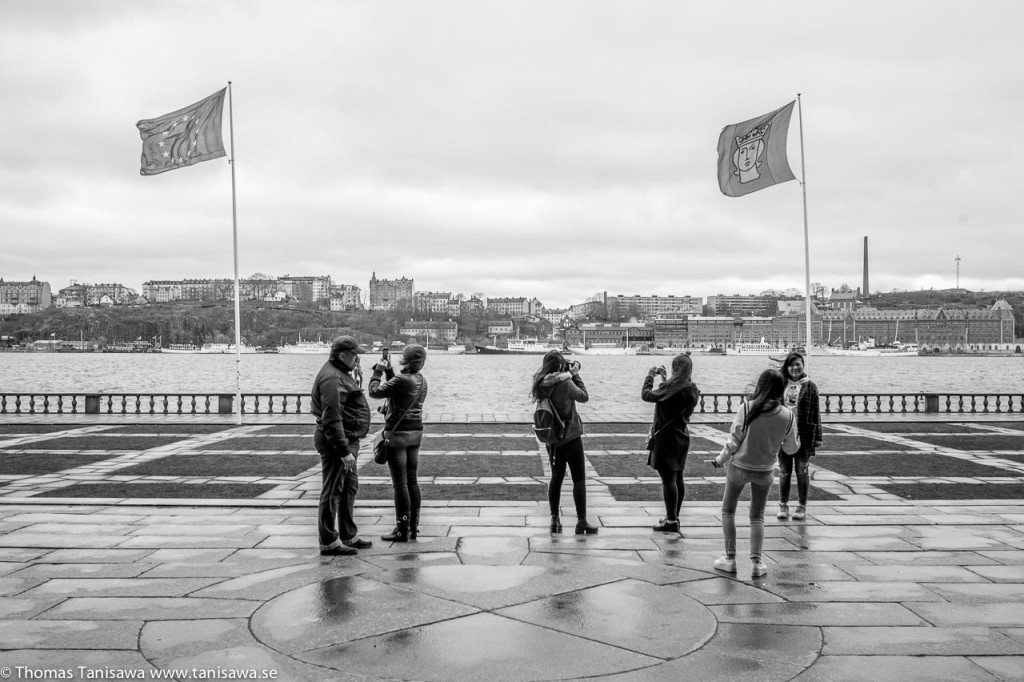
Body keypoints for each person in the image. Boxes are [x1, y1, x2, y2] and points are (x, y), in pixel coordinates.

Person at [711, 369, 799, 578]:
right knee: (757, 517)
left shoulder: (747, 408)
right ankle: (757, 563)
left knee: (728, 511)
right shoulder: (787, 415)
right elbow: (791, 449)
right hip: (765, 471)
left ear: (760, 385)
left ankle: (730, 559)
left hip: (739, 467)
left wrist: (720, 460)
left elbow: (733, 441)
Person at [311, 336, 372, 555]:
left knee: (349, 487)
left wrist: (356, 379)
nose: (357, 360)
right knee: (333, 490)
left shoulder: (340, 374)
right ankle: (328, 540)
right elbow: (332, 418)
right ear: (342, 355)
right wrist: (344, 451)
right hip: (337, 442)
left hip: (347, 439)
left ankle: (348, 534)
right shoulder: (332, 379)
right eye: (355, 355)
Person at [531, 349, 598, 535]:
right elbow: (584, 396)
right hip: (571, 435)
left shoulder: (540, 383)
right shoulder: (566, 382)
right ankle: (582, 520)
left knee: (556, 478)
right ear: (561, 366)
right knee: (578, 478)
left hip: (552, 437)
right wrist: (575, 375)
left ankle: (554, 519)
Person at [368, 344, 428, 543]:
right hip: (415, 433)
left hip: (398, 435)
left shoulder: (402, 380)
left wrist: (378, 370)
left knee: (399, 483)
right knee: (412, 481)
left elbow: (374, 392)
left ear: (406, 359)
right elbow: (398, 391)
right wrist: (390, 371)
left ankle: (401, 529)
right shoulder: (421, 380)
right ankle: (412, 527)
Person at [641, 353, 700, 533]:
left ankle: (671, 520)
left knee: (668, 479)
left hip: (666, 439)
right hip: (681, 436)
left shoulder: (669, 388)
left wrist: (650, 375)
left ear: (675, 368)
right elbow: (671, 394)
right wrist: (666, 380)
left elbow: (647, 395)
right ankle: (674, 516)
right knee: (678, 477)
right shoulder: (691, 389)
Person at [776, 352, 823, 521]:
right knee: (784, 472)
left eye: (798, 364)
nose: (795, 368)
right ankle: (783, 505)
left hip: (805, 434)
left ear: (803, 366)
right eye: (792, 365)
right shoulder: (780, 384)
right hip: (783, 435)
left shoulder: (810, 386)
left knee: (802, 471)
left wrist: (818, 437)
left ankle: (802, 506)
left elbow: (816, 413)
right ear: (787, 368)